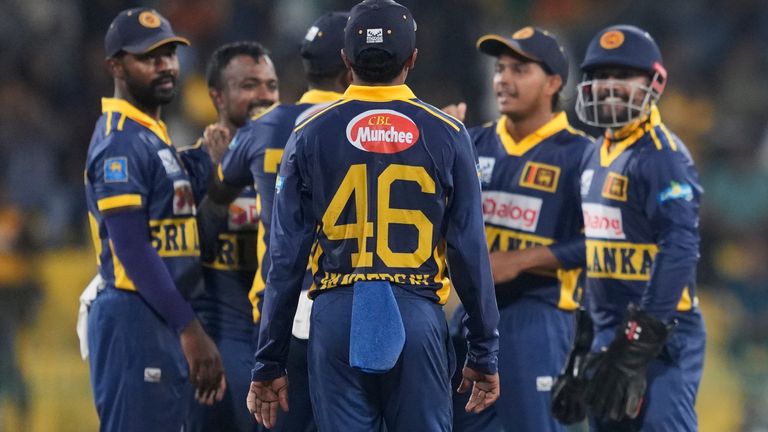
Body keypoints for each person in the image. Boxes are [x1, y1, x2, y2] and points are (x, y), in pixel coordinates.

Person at [247, 1, 501, 430]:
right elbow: (469, 252)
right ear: (413, 59)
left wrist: (269, 359)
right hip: (416, 309)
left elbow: (284, 259)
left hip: (336, 312)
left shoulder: (307, 133)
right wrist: (483, 350)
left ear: (346, 61)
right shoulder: (449, 133)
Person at [551, 24, 706, 431]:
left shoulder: (662, 156)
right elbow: (594, 254)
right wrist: (581, 347)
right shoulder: (593, 156)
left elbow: (680, 247)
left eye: (623, 75)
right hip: (607, 333)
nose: (609, 86)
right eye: (601, 76)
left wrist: (640, 340)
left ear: (654, 81)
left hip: (661, 338)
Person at [203, 12, 351, 432]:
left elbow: (213, 205)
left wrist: (222, 166)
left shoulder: (263, 128)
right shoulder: (379, 127)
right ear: (351, 64)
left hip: (278, 314)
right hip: (353, 308)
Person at [83, 8, 225, 431]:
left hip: (158, 310)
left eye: (169, 54)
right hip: (135, 312)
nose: (164, 65)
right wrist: (189, 328)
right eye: (148, 57)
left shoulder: (149, 132)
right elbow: (130, 246)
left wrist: (204, 158)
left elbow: (170, 208)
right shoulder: (120, 141)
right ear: (116, 66)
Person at [449, 26, 593, 432]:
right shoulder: (470, 143)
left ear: (553, 82)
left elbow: (601, 240)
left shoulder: (581, 154)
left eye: (519, 69)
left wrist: (521, 260)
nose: (503, 79)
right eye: (499, 68)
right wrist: (436, 148)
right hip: (472, 317)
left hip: (540, 316)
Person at [185, 41, 278, 432]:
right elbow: (189, 254)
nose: (264, 95)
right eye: (250, 85)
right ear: (217, 96)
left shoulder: (293, 161)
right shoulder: (189, 166)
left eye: (272, 86)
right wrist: (222, 179)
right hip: (223, 336)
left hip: (280, 338)